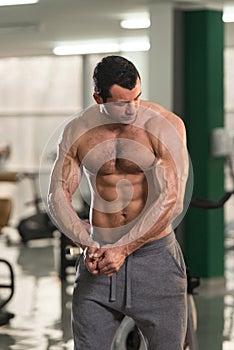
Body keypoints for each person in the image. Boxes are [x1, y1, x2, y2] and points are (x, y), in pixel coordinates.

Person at [47, 55, 189, 350]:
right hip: (98, 259)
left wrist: (124, 248)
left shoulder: (164, 125)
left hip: (155, 259)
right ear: (98, 97)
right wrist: (85, 241)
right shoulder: (78, 130)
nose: (132, 109)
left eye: (137, 97)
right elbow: (57, 194)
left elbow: (172, 199)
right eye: (122, 103)